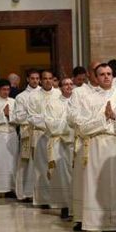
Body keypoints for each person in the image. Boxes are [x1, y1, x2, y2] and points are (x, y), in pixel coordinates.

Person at [75, 63, 116, 232]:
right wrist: (104, 117)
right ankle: (103, 230)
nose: (106, 77)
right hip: (96, 145)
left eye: (109, 74)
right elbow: (82, 127)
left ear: (113, 76)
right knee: (100, 187)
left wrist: (114, 117)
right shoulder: (88, 99)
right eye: (102, 74)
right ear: (95, 77)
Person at [68, 61, 100, 231]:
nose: (99, 74)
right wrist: (86, 125)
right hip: (84, 140)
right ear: (89, 73)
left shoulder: (111, 92)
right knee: (84, 180)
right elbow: (72, 115)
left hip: (104, 142)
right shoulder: (79, 92)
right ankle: (81, 217)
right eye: (96, 71)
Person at [26, 70, 60, 208]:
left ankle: (57, 198)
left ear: (53, 80)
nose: (47, 81)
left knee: (56, 166)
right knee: (41, 167)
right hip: (40, 135)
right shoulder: (33, 96)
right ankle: (44, 199)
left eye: (50, 78)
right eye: (44, 78)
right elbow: (31, 117)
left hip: (57, 136)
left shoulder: (59, 94)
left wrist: (54, 124)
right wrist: (48, 122)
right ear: (40, 80)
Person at [44, 77, 75, 219]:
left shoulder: (78, 101)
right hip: (60, 145)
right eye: (65, 84)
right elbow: (51, 124)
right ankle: (65, 205)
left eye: (70, 84)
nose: (68, 87)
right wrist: (68, 124)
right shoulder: (53, 103)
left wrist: (67, 124)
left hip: (76, 144)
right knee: (62, 176)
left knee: (76, 176)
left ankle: (76, 207)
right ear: (60, 88)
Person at [13, 69, 41, 202]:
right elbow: (18, 117)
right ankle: (27, 193)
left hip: (42, 132)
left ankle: (42, 193)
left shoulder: (45, 94)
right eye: (33, 78)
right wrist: (33, 117)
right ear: (28, 79)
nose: (35, 81)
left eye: (37, 78)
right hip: (28, 133)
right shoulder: (21, 97)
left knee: (41, 162)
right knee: (28, 163)